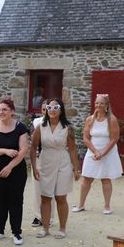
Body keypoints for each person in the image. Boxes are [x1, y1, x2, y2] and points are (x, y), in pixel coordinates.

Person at [30, 97, 81, 239]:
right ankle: (45, 228)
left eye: (55, 107)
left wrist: (76, 169)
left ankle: (62, 228)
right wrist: (34, 167)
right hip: (46, 161)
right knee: (45, 196)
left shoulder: (67, 128)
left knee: (60, 196)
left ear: (61, 110)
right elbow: (33, 147)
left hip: (63, 162)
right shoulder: (41, 126)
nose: (52, 110)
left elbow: (72, 149)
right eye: (49, 108)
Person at [0, 99, 28, 245]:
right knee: (0, 200)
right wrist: (5, 150)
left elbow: (23, 150)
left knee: (16, 201)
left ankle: (17, 232)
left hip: (16, 169)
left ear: (12, 111)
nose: (1, 112)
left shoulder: (20, 127)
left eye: (4, 109)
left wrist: (10, 166)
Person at [73, 94, 122, 214]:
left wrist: (103, 153)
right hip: (92, 151)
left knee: (105, 179)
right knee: (87, 179)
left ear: (106, 105)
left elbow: (114, 138)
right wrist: (95, 151)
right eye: (97, 103)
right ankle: (81, 205)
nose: (98, 105)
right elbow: (85, 137)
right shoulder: (90, 119)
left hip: (107, 152)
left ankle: (107, 206)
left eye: (101, 103)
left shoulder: (112, 119)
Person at [31, 100, 55, 228]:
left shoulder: (58, 124)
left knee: (49, 188)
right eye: (43, 109)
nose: (45, 111)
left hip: (52, 158)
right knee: (36, 187)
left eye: (48, 108)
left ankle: (50, 216)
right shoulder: (36, 122)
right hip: (39, 157)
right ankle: (38, 215)